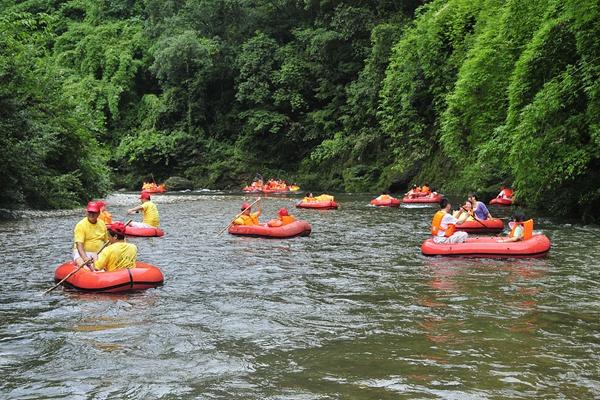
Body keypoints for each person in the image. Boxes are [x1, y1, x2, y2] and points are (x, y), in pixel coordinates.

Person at [73, 201, 108, 269]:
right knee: (83, 265)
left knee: (101, 266)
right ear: (87, 212)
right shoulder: (81, 225)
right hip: (83, 252)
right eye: (90, 212)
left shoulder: (102, 224)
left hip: (98, 252)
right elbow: (79, 245)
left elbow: (107, 242)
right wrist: (85, 258)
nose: (91, 214)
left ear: (98, 213)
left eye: (94, 213)